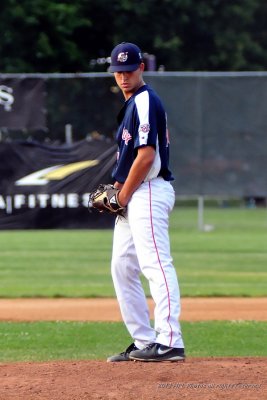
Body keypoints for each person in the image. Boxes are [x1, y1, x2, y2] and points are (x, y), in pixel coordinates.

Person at [107, 42, 185, 362]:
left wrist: (121, 196)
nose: (124, 76)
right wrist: (117, 191)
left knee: (155, 263)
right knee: (122, 267)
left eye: (129, 70)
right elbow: (126, 161)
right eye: (118, 72)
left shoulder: (144, 100)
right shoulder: (131, 105)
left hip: (149, 190)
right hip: (135, 191)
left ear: (141, 68)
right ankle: (144, 341)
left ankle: (169, 341)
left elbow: (146, 156)